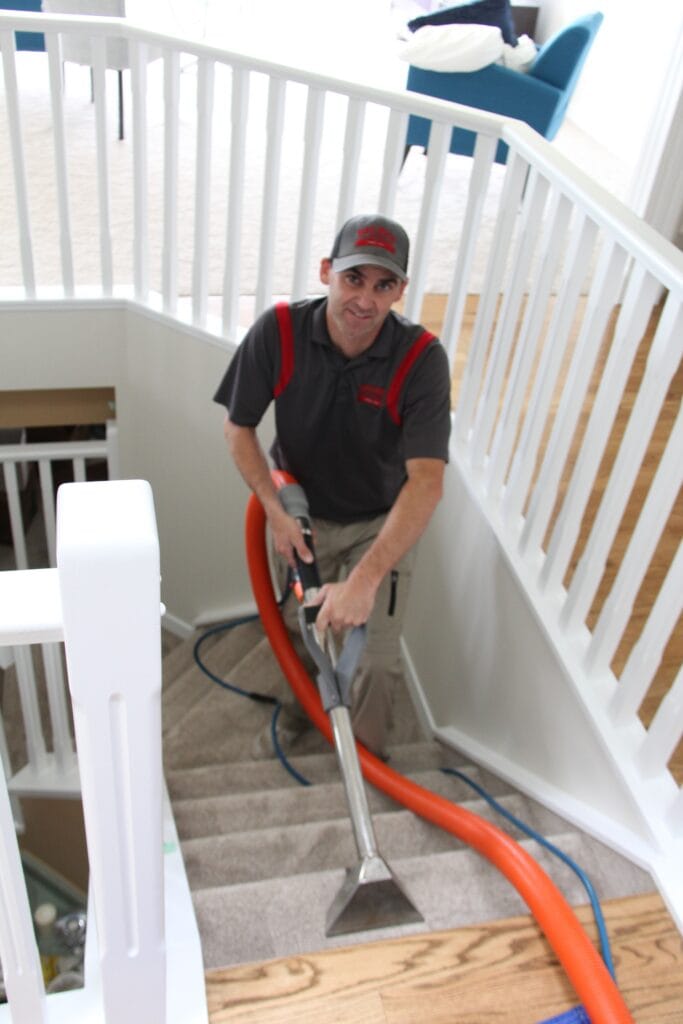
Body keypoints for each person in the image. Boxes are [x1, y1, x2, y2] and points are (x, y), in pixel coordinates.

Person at [213, 213, 451, 760]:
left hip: (378, 523)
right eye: (354, 278)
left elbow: (426, 483)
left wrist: (366, 580)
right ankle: (303, 712)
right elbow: (237, 426)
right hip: (299, 516)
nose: (365, 300)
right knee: (302, 632)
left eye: (383, 284)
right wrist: (272, 510)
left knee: (375, 659)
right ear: (327, 271)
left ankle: (365, 764)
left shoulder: (421, 361)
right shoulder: (278, 331)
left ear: (401, 291)